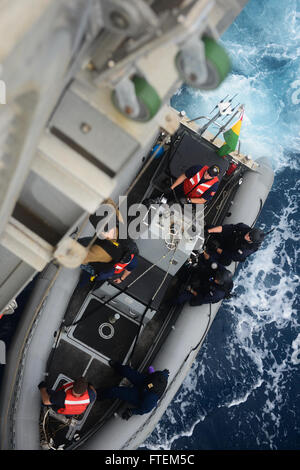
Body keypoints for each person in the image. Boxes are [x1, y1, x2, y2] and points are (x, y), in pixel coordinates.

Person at [96, 362, 169, 420]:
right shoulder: (158, 377)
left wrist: (131, 412)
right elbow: (157, 378)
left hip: (139, 396)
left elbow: (143, 410)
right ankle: (117, 367)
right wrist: (165, 373)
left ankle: (99, 395)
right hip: (144, 382)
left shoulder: (150, 401)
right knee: (126, 371)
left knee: (115, 391)